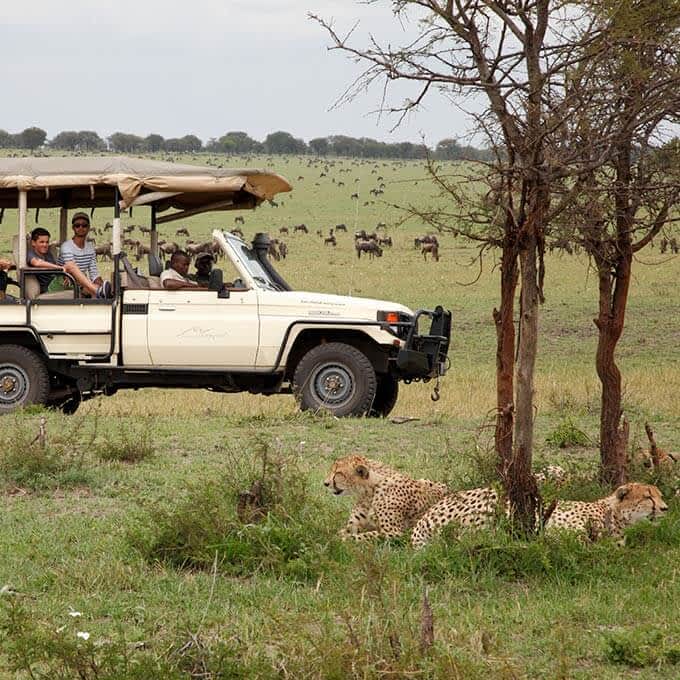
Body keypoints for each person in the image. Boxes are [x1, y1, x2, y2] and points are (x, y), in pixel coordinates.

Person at [27, 227, 111, 298]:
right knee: (70, 265)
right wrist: (62, 269)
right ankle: (97, 290)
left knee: (84, 285)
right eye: (41, 242)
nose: (45, 245)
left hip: (58, 281)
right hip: (49, 287)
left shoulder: (48, 253)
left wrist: (64, 275)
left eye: (47, 242)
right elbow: (37, 263)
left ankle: (102, 293)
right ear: (33, 243)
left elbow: (53, 269)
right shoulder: (30, 254)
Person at [58, 212, 112, 298]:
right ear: (73, 228)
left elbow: (94, 274)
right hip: (65, 281)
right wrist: (92, 287)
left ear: (89, 228)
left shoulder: (90, 248)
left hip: (81, 282)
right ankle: (97, 291)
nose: (81, 228)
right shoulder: (66, 247)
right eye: (77, 225)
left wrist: (102, 285)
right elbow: (72, 272)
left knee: (105, 294)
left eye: (84, 225)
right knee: (94, 293)